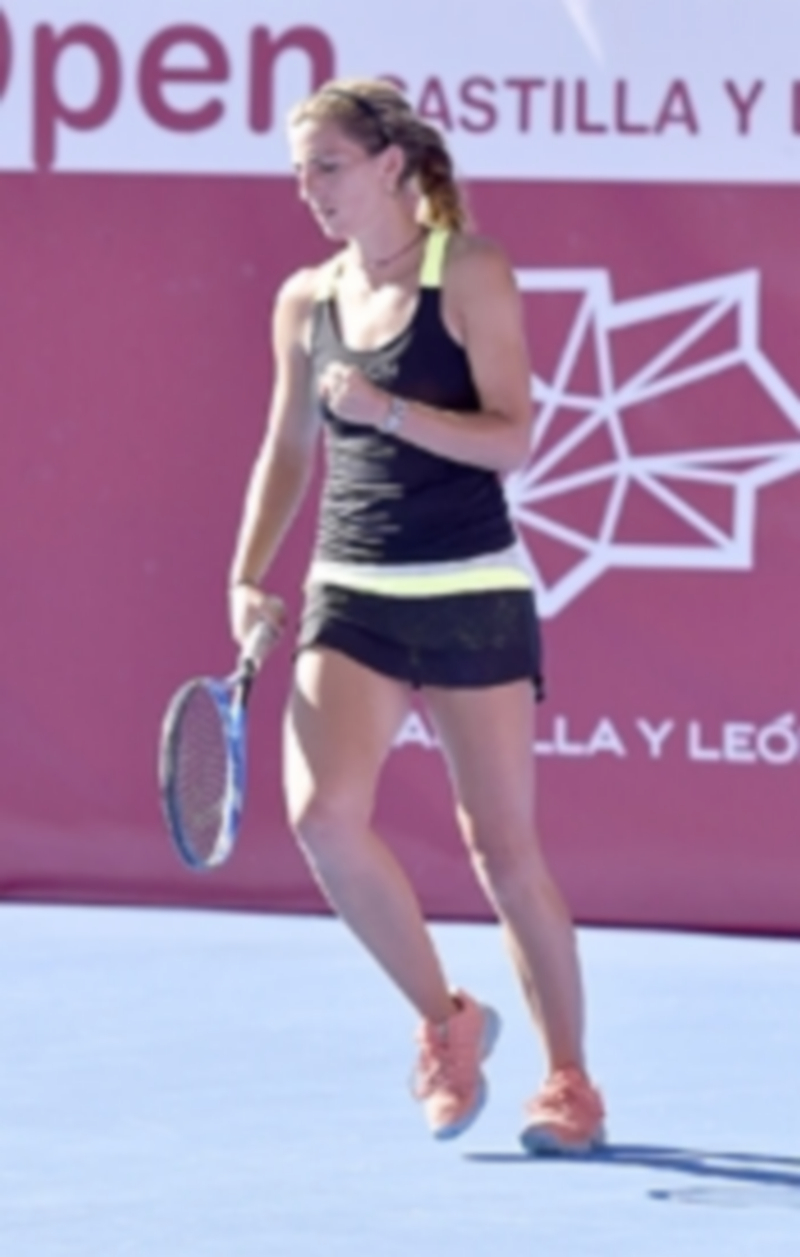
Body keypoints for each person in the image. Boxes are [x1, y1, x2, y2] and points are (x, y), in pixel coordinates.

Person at [227, 77, 605, 1155]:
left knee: (502, 851)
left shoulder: (472, 271)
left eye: (328, 168)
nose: (309, 191)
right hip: (350, 591)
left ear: (391, 165)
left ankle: (568, 1079)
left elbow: (512, 440)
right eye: (298, 173)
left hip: (469, 589)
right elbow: (288, 448)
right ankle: (445, 1022)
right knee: (322, 820)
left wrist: (388, 409)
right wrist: (246, 573)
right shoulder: (306, 298)